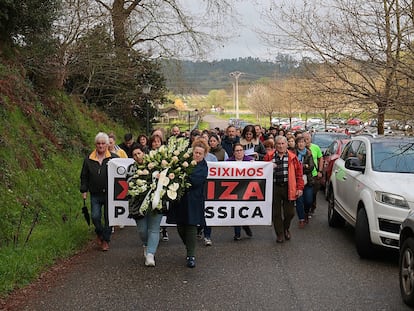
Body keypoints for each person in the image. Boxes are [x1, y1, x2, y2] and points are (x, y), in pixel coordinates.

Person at [167, 138, 209, 268]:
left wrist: (183, 177)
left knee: (191, 225)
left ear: (204, 154)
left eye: (199, 153)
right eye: (195, 152)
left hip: (194, 200)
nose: (197, 155)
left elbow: (195, 181)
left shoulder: (203, 167)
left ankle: (191, 255)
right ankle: (190, 247)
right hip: (180, 199)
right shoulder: (184, 161)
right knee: (180, 227)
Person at [80, 132, 118, 251]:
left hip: (109, 193)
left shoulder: (114, 159)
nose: (101, 146)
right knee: (95, 216)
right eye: (98, 143)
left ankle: (106, 240)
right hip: (95, 193)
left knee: (109, 218)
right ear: (95, 144)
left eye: (103, 143)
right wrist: (84, 190)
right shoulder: (88, 159)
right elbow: (84, 176)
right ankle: (99, 233)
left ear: (107, 145)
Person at [127, 144, 163, 267]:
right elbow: (129, 182)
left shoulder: (155, 164)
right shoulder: (131, 168)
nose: (137, 156)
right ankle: (146, 245)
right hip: (138, 203)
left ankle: (150, 254)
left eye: (139, 153)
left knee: (154, 228)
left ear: (144, 153)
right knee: (142, 230)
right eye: (134, 155)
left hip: (155, 201)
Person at [264, 135, 304, 243]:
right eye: (278, 144)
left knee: (290, 213)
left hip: (288, 186)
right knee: (276, 213)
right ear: (275, 145)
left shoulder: (293, 157)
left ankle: (286, 228)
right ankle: (280, 233)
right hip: (274, 186)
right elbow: (262, 171)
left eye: (283, 144)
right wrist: (268, 166)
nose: (281, 146)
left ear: (287, 144)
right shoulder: (269, 156)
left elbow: (299, 174)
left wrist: (299, 188)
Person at [226, 143, 254, 240]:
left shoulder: (250, 161)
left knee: (244, 210)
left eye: (240, 150)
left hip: (247, 189)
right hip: (233, 189)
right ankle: (237, 233)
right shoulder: (228, 162)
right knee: (235, 209)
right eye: (237, 151)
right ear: (233, 152)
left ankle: (245, 225)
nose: (239, 152)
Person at [149, 133, 169, 241]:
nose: (156, 144)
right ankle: (154, 229)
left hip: (163, 183)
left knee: (163, 207)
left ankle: (164, 229)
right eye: (154, 142)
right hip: (152, 184)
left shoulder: (166, 154)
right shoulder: (148, 154)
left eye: (158, 142)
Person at [294, 136, 314, 228]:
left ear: (305, 144)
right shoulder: (293, 154)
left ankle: (306, 212)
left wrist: (302, 167)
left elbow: (311, 167)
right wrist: (303, 166)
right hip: (297, 180)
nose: (301, 144)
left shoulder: (309, 153)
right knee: (299, 200)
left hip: (308, 180)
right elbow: (293, 167)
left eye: (303, 142)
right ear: (296, 144)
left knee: (309, 200)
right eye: (299, 142)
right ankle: (301, 219)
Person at [303, 132, 323, 216]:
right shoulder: (300, 149)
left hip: (314, 174)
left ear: (310, 139)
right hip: (304, 174)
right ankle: (305, 209)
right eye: (304, 139)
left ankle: (312, 207)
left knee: (313, 193)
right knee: (305, 193)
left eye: (307, 139)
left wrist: (320, 171)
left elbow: (320, 159)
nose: (306, 141)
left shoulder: (316, 147)